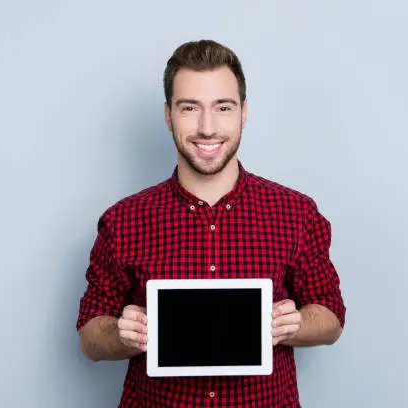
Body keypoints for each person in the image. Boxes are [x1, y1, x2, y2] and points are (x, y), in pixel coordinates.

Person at [76, 39, 346, 407]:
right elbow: (90, 337)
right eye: (190, 108)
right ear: (169, 115)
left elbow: (331, 317)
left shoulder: (295, 212)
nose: (207, 127)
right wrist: (123, 335)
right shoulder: (123, 220)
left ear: (244, 112)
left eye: (222, 107)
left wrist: (295, 325)